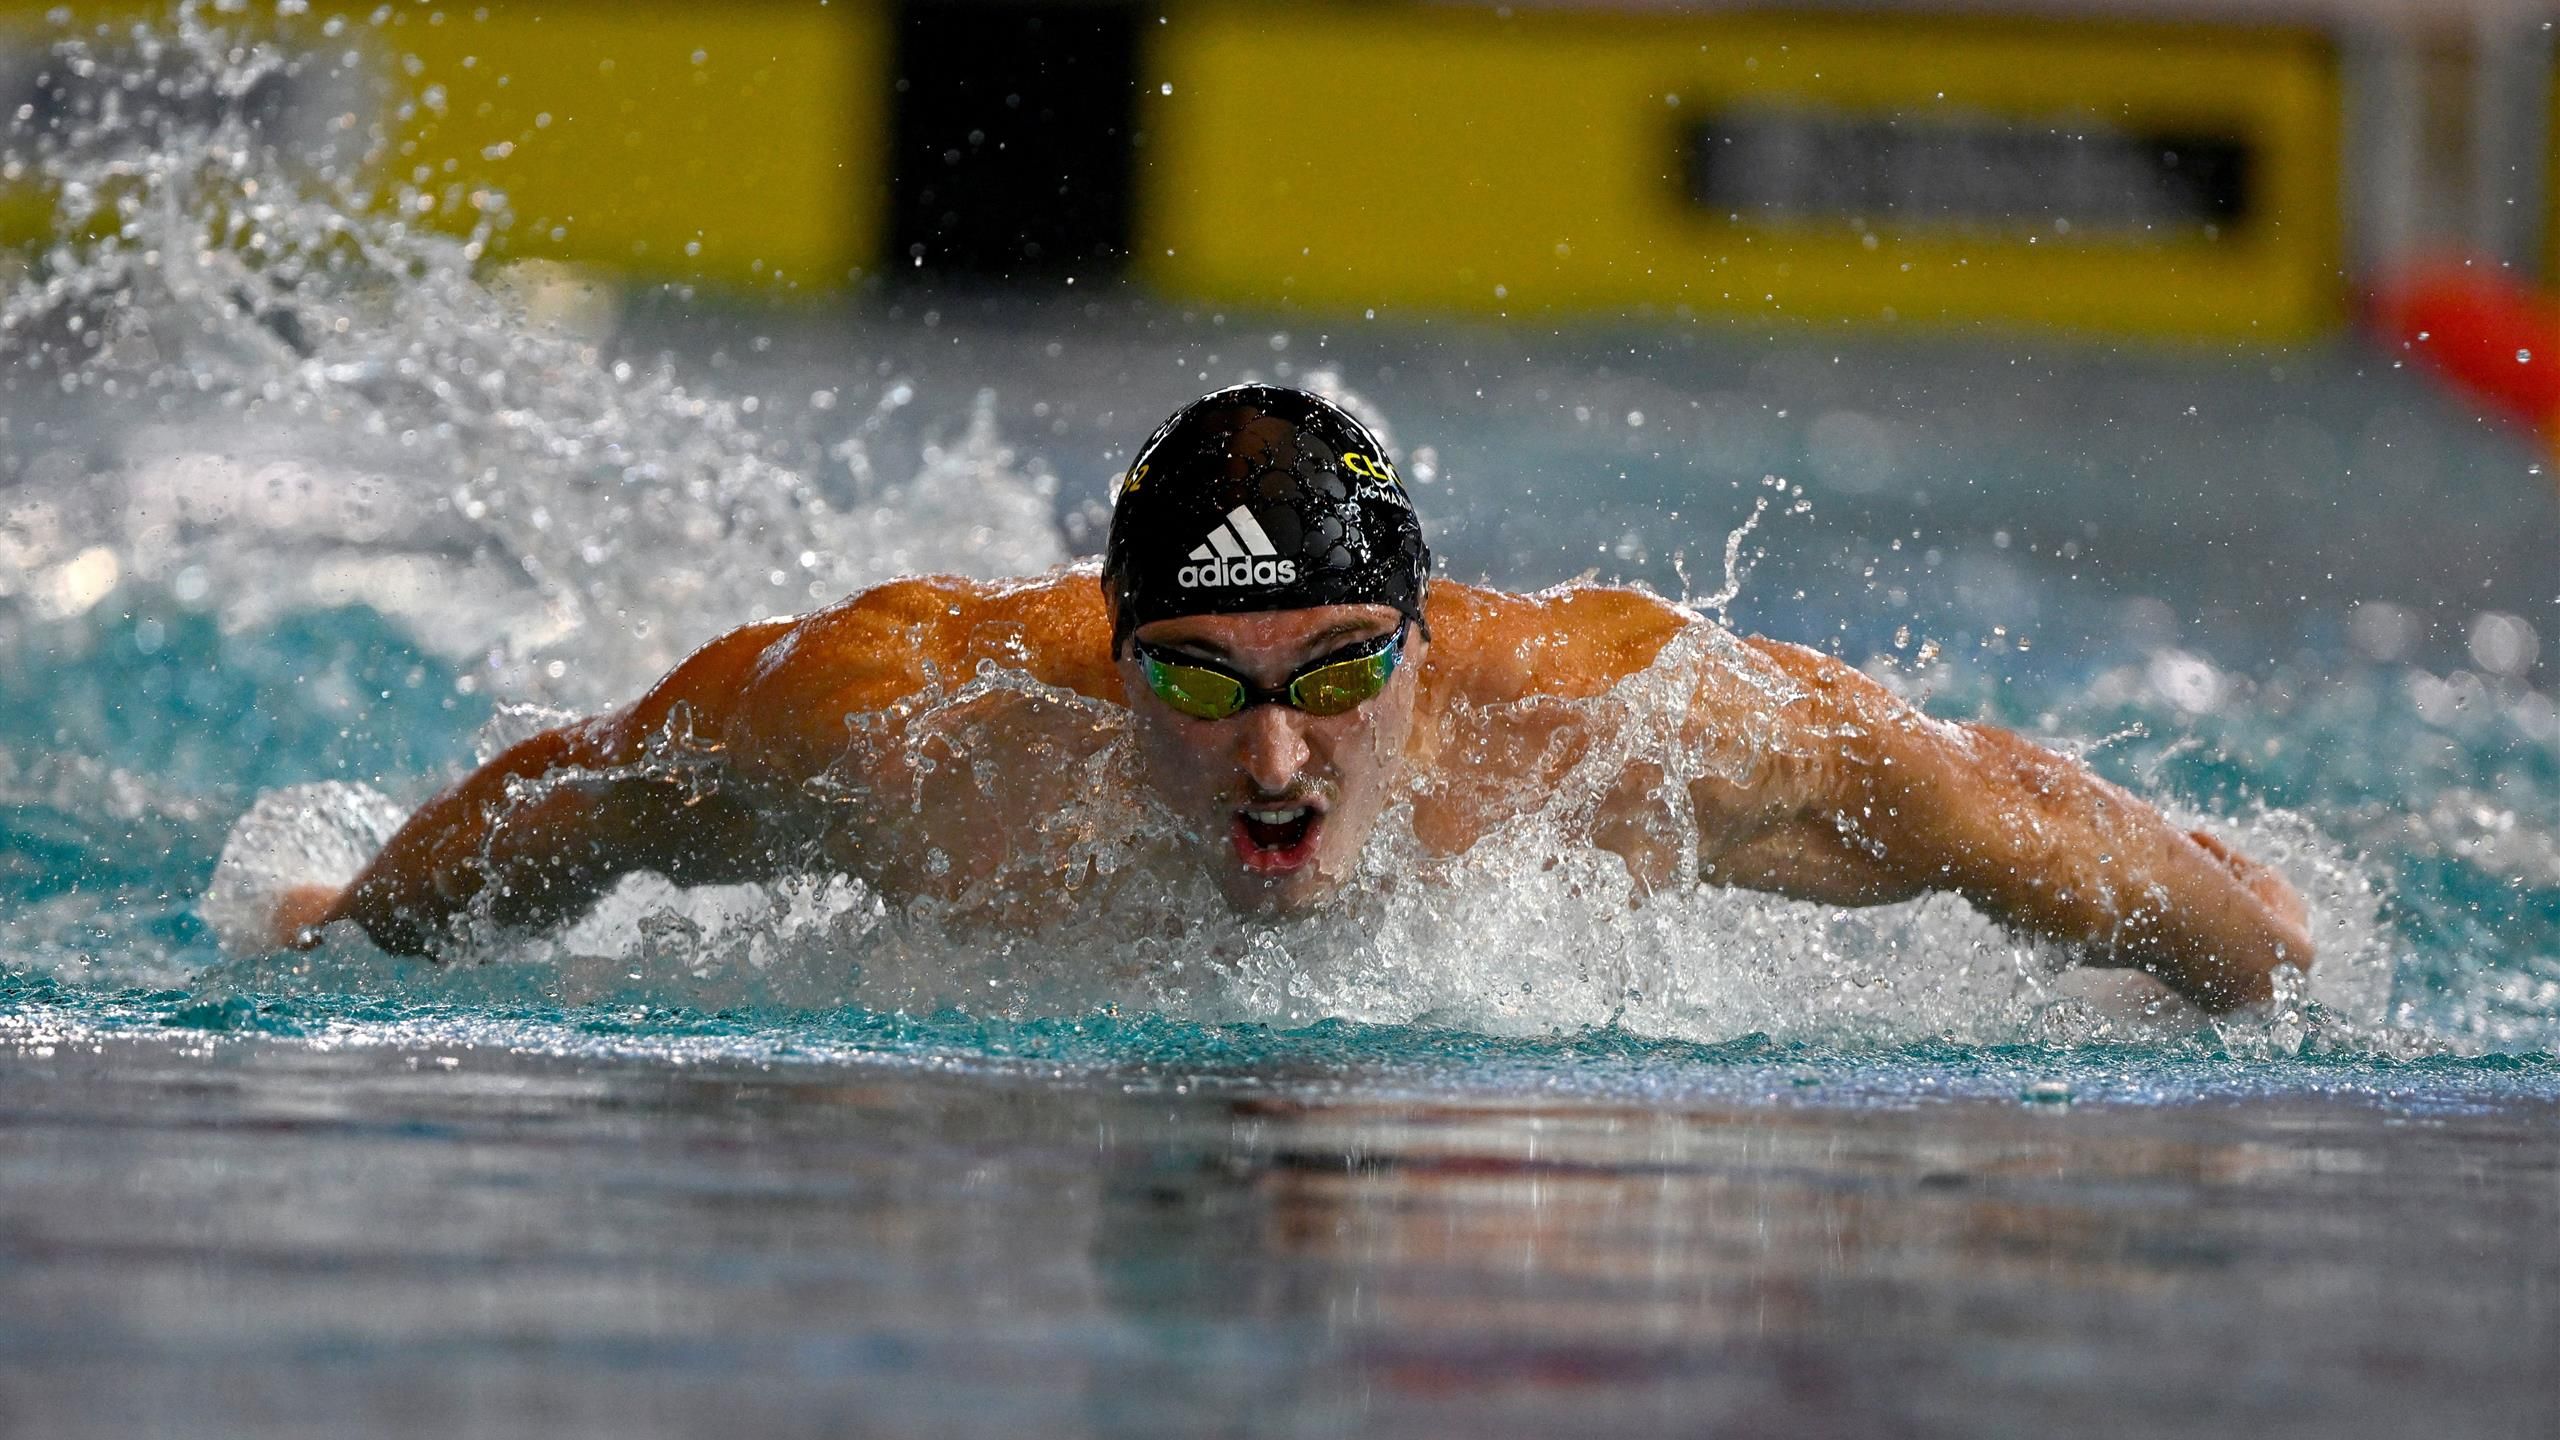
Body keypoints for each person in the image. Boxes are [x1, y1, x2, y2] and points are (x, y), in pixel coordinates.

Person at [266, 384, 2313, 1012]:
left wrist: (2269, 979)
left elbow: (2010, 814)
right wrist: (338, 932)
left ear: (1420, 646)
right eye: (1198, 681)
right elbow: (578, 794)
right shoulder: (910, 719)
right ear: (1104, 650)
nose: (1271, 753)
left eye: (1336, 675)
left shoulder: (1610, 733)